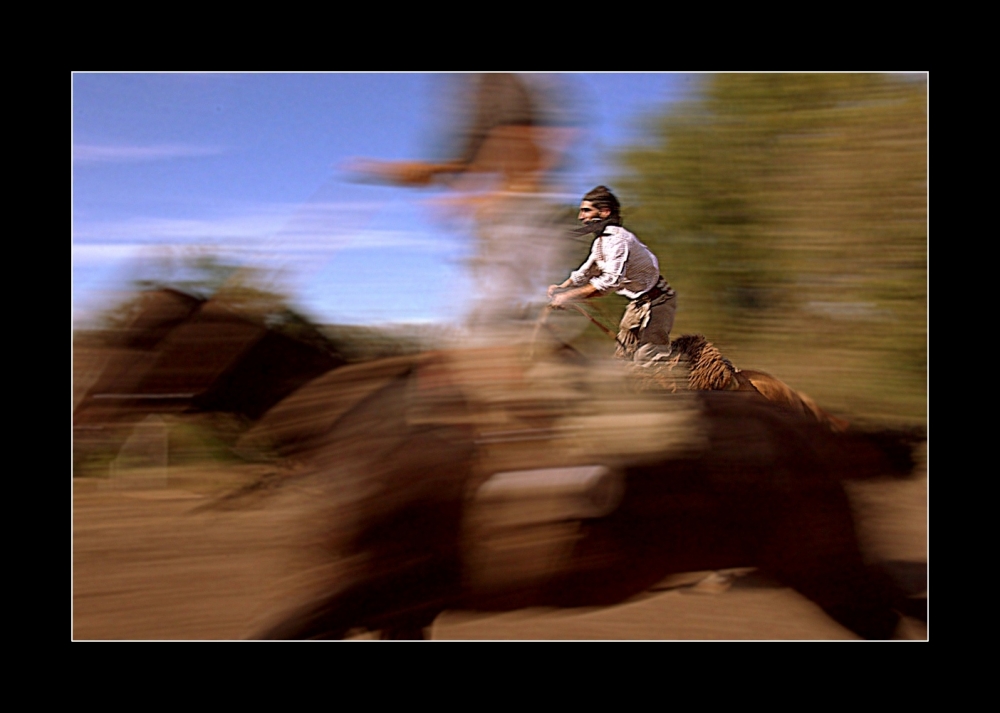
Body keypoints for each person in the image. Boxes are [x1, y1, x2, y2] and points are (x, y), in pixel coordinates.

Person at [548, 186, 676, 361]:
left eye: (586, 211)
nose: (581, 217)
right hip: (637, 303)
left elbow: (610, 282)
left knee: (647, 356)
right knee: (623, 356)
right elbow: (585, 272)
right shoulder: (601, 242)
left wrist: (570, 296)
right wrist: (562, 287)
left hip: (660, 301)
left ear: (605, 212)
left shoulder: (618, 241)